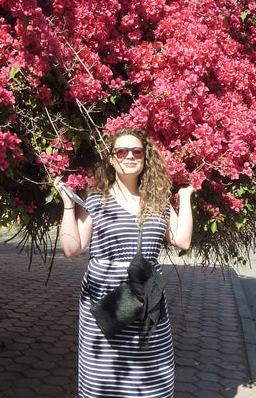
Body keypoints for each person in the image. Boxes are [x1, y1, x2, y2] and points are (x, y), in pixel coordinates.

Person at [54, 127, 194, 398]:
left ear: (144, 158)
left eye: (137, 151)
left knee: (151, 372)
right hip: (104, 299)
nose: (129, 156)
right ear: (111, 159)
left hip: (146, 298)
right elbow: (72, 249)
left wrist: (185, 199)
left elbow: (182, 240)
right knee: (102, 375)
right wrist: (68, 206)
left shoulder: (159, 203)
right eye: (122, 151)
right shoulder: (95, 201)